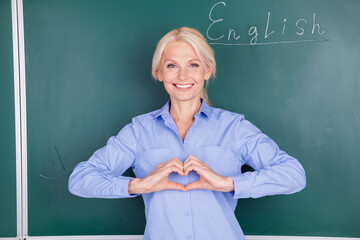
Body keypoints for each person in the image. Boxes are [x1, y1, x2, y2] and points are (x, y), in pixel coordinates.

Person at [68, 27, 306, 240]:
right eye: (172, 66)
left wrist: (228, 183)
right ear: (159, 72)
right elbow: (80, 180)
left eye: (193, 64)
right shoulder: (139, 131)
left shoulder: (234, 127)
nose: (182, 76)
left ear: (207, 70)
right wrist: (139, 185)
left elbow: (293, 174)